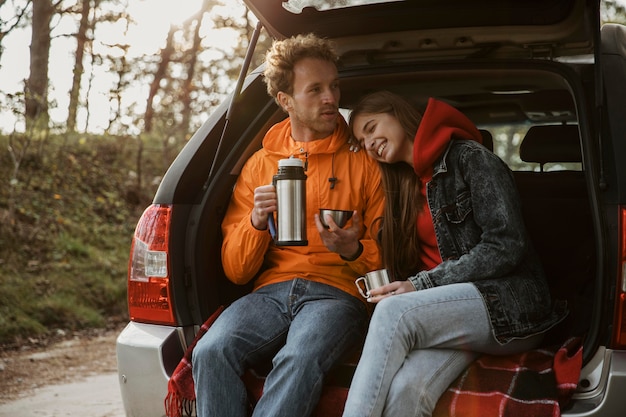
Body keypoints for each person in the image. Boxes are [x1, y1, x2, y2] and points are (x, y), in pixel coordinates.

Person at [191, 34, 385, 417]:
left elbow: (396, 260)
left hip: (337, 293)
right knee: (210, 350)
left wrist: (354, 249)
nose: (331, 98)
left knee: (298, 358)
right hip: (270, 293)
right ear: (286, 101)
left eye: (334, 86)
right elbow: (236, 269)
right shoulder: (260, 165)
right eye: (315, 89)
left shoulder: (365, 162)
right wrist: (256, 221)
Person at [341, 91, 567, 417]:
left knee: (393, 313)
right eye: (362, 140)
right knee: (407, 390)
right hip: (450, 315)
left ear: (397, 113)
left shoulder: (471, 159)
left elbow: (506, 245)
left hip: (510, 305)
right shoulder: (404, 185)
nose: (370, 143)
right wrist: (352, 249)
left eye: (372, 127)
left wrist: (421, 286)